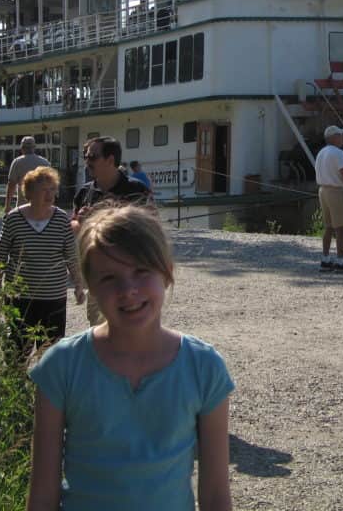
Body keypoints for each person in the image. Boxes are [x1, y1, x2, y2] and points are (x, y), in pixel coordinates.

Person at [27, 205, 234, 511]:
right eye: (110, 278)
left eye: (141, 271)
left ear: (166, 272)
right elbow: (42, 493)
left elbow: (216, 494)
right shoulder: (62, 367)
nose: (129, 290)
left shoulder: (204, 368)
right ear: (91, 286)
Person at [0, 166, 85, 354]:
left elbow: (70, 255)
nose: (50, 193)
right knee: (18, 346)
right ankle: (15, 381)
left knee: (51, 349)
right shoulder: (14, 219)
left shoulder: (61, 219)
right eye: (44, 189)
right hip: (20, 296)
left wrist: (78, 284)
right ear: (30, 192)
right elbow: (0, 255)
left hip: (53, 296)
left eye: (53, 189)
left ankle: (43, 384)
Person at [71, 136, 151, 325]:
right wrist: (82, 223)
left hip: (132, 276)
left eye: (92, 157)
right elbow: (73, 225)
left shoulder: (136, 190)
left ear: (110, 160)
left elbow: (150, 228)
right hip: (99, 275)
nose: (87, 162)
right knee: (98, 328)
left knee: (130, 326)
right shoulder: (84, 192)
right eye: (85, 157)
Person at [314, 125, 343, 272]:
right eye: (341, 135)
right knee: (341, 227)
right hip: (336, 191)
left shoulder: (321, 153)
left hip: (323, 190)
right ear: (335, 137)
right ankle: (340, 261)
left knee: (328, 226)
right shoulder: (339, 153)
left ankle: (325, 259)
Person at [5, 135, 50, 212]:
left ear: (22, 148)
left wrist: (7, 205)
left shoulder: (17, 162)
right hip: (42, 206)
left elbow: (11, 185)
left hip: (22, 207)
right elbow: (50, 186)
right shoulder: (45, 163)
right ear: (34, 147)